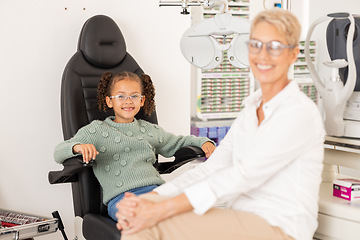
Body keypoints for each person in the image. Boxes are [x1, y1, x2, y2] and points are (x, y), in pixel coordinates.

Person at [116, 8, 325, 240]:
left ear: (293, 54)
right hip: (242, 218)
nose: (263, 55)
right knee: (139, 219)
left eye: (274, 47)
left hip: (279, 227)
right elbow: (212, 168)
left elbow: (243, 174)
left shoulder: (298, 113)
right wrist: (150, 198)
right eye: (256, 45)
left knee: (146, 225)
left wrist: (162, 208)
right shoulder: (250, 111)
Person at [53, 71, 216, 222]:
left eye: (134, 96)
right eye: (121, 96)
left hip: (158, 192)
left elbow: (178, 142)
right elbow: (59, 151)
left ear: (142, 100)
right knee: (149, 219)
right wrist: (77, 148)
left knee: (196, 214)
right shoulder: (96, 130)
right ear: (110, 101)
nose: (128, 101)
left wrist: (203, 142)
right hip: (122, 199)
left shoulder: (149, 130)